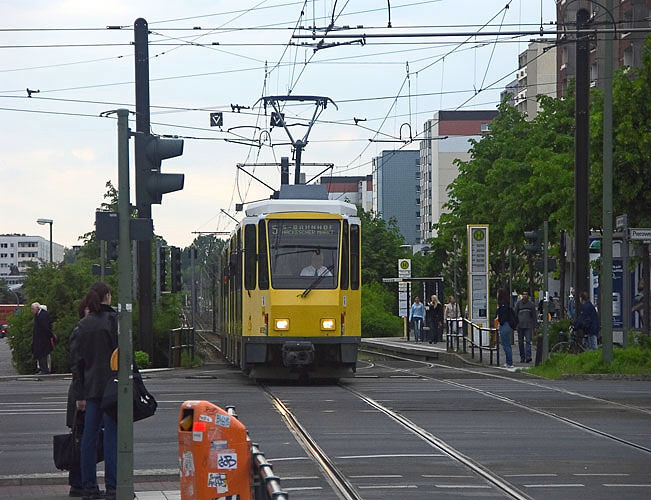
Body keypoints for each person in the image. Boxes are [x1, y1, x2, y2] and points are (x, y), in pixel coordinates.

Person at [70, 283, 118, 500]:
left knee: (89, 437)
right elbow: (124, 356)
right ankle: (113, 486)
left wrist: (79, 393)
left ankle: (89, 486)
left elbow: (77, 362)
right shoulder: (114, 322)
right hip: (112, 387)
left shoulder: (82, 325)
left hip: (90, 389)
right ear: (106, 297)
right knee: (112, 436)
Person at [66, 296, 91, 497]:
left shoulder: (84, 331)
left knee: (83, 438)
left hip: (83, 392)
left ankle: (80, 481)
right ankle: (77, 481)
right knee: (79, 439)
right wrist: (80, 396)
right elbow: (76, 365)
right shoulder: (79, 332)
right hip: (80, 394)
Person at [31, 301, 55, 374]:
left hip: (43, 339)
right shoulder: (39, 315)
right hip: (41, 339)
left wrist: (49, 336)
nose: (32, 311)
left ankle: (44, 370)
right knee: (41, 354)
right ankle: (43, 369)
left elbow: (46, 328)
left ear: (37, 308)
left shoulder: (42, 315)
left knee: (42, 354)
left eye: (32, 309)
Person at [514, 291, 536, 363]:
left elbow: (534, 316)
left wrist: (535, 326)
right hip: (520, 326)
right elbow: (515, 315)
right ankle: (522, 357)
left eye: (526, 294)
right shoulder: (518, 304)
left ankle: (528, 357)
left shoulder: (531, 305)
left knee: (528, 341)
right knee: (520, 343)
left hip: (528, 326)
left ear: (528, 296)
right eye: (524, 294)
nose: (525, 296)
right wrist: (515, 325)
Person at [496, 288, 515, 368]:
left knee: (505, 344)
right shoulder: (506, 303)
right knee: (507, 344)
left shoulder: (502, 304)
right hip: (507, 325)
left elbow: (502, 316)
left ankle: (509, 362)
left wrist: (501, 321)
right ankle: (509, 362)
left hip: (504, 325)